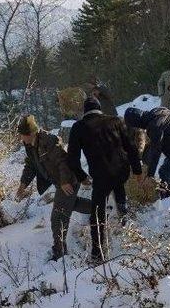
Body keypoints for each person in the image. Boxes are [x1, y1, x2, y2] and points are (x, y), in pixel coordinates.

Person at [67, 97, 143, 263]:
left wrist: (82, 177)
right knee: (118, 184)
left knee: (97, 213)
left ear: (85, 111)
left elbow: (72, 159)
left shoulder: (78, 127)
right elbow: (131, 147)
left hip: (101, 176)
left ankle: (97, 253)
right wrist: (137, 171)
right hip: (122, 170)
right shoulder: (116, 121)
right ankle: (124, 214)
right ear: (99, 108)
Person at [16, 115, 91, 261]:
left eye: (22, 135)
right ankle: (102, 210)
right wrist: (23, 184)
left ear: (30, 133)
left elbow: (63, 161)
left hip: (69, 180)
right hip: (59, 182)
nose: (20, 138)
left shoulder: (49, 140)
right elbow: (31, 165)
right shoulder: (29, 145)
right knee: (71, 204)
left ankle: (59, 252)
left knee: (58, 216)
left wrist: (64, 181)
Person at [124, 107, 170, 199]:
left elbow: (156, 151)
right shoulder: (158, 110)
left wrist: (150, 175)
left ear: (137, 123)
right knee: (168, 162)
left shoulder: (154, 126)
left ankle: (169, 197)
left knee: (163, 171)